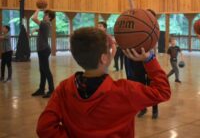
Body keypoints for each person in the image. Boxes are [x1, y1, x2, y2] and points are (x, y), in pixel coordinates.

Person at [36, 27, 171, 138]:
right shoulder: (125, 91)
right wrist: (149, 58)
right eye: (109, 49)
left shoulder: (64, 88)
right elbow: (163, 91)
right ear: (104, 58)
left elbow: (44, 128)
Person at [31, 9, 56, 98]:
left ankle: (52, 90)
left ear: (49, 18)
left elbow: (33, 18)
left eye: (46, 15)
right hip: (42, 50)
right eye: (44, 14)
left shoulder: (45, 23)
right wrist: (35, 29)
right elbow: (41, 29)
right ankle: (41, 89)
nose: (44, 15)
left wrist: (37, 10)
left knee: (46, 70)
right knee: (42, 70)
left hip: (44, 50)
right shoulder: (46, 24)